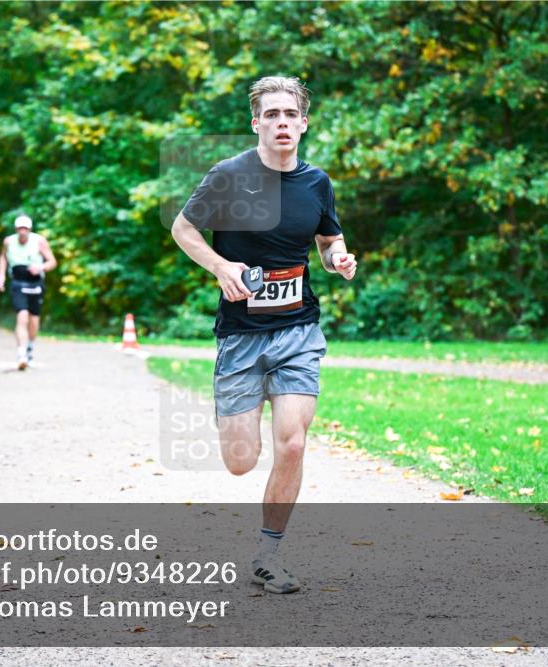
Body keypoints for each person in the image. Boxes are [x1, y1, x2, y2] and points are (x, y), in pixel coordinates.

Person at [170, 76, 357, 594]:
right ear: (257, 123)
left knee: (293, 443)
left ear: (302, 122)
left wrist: (337, 259)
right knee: (240, 461)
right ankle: (235, 416)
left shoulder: (317, 182)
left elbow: (327, 238)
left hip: (298, 329)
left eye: (289, 114)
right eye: (270, 114)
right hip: (241, 334)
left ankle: (267, 555)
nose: (281, 123)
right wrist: (219, 266)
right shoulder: (228, 176)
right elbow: (183, 230)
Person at [0, 214, 57, 370]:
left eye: (25, 229)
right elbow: (2, 258)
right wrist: (1, 275)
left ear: (29, 230)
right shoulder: (8, 242)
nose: (23, 232)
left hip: (35, 282)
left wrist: (40, 267)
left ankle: (29, 348)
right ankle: (21, 353)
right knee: (22, 317)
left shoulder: (40, 241)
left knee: (34, 320)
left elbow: (52, 262)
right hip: (18, 282)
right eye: (20, 228)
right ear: (16, 229)